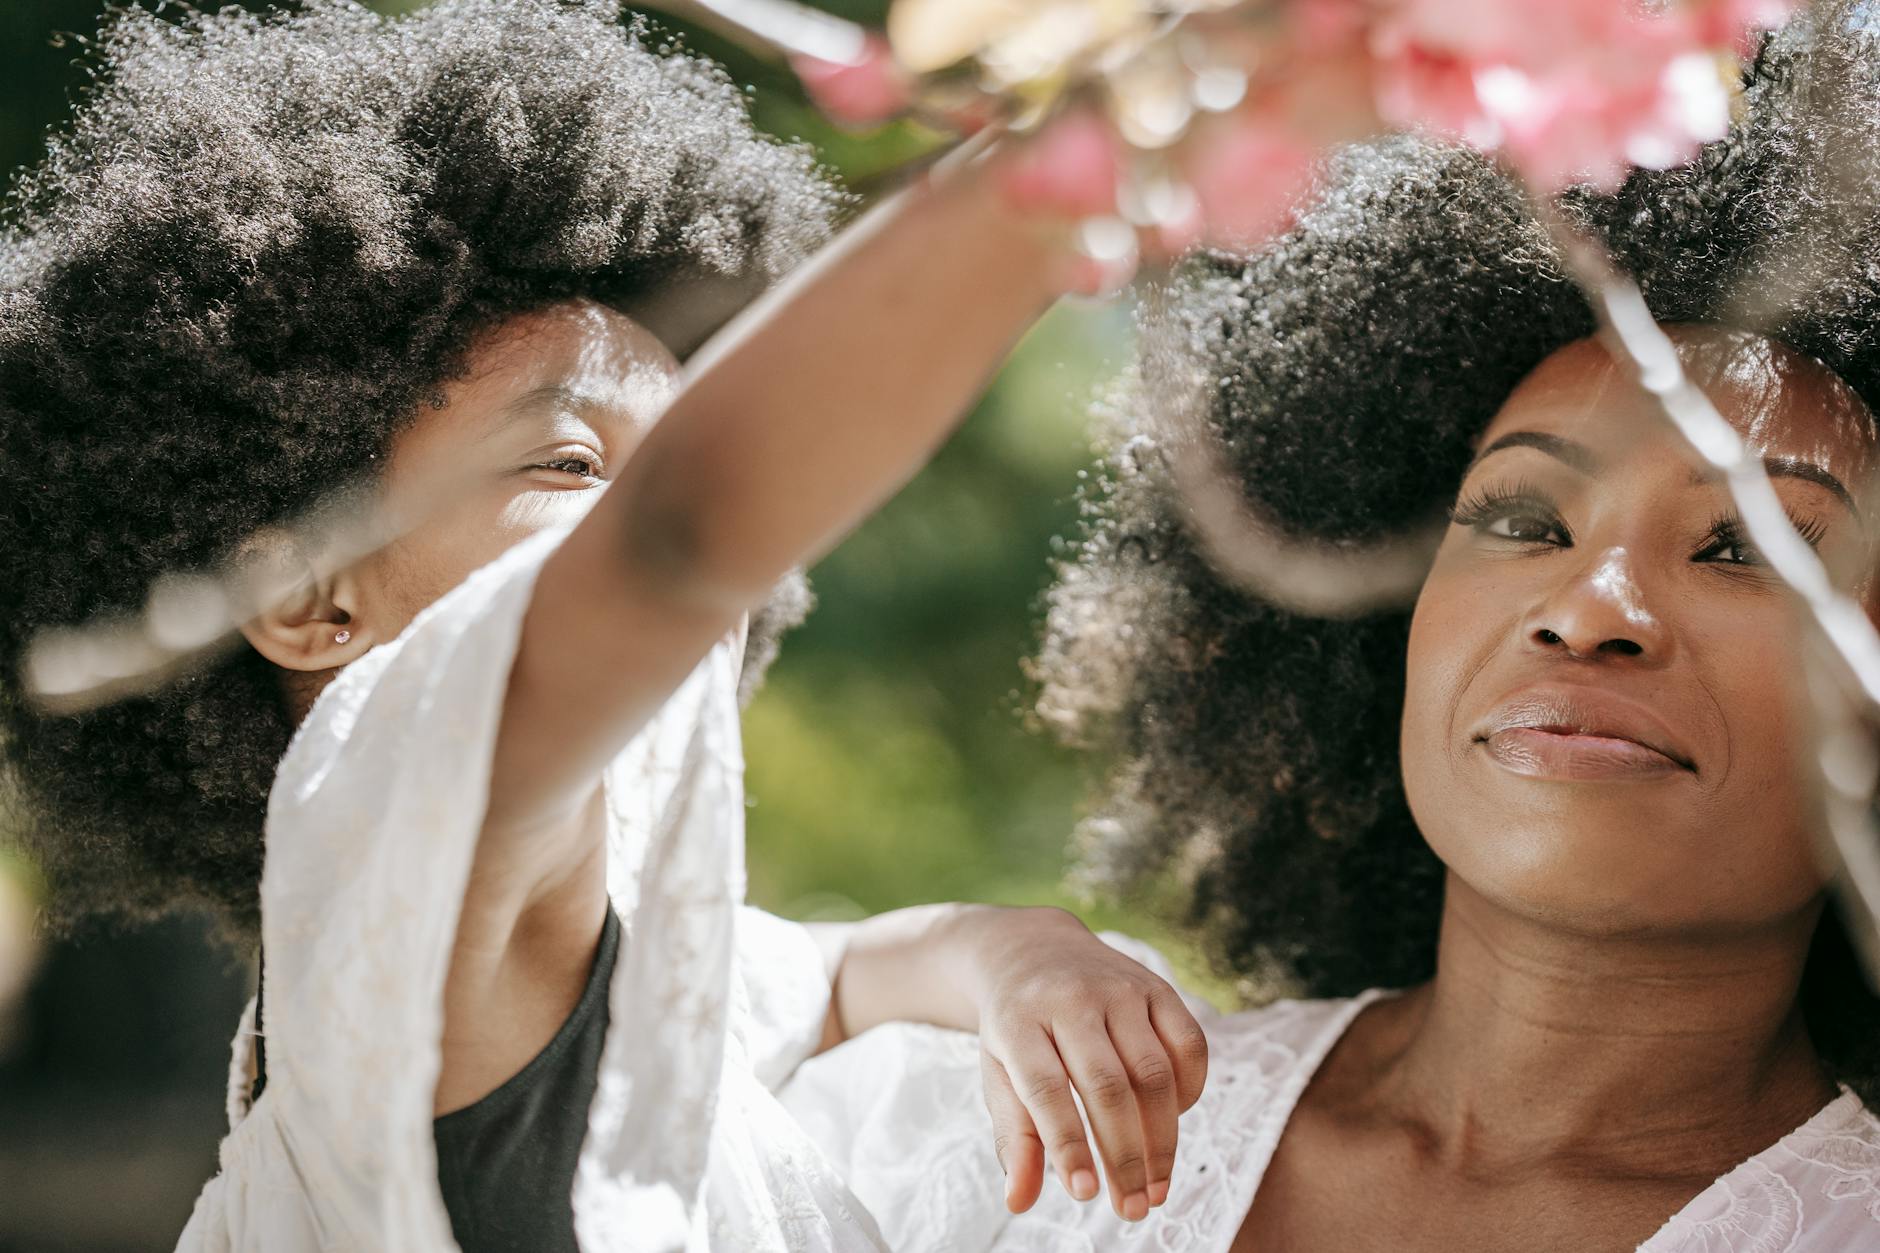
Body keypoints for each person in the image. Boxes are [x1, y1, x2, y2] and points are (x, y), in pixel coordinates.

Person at [0, 2, 1212, 1248]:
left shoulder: (606, 945)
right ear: (311, 599)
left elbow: (835, 970)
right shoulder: (398, 898)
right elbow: (678, 544)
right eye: (576, 461)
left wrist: (1009, 950)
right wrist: (1106, 142)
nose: (677, 516)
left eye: (670, 453)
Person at [782, 4, 1880, 1249]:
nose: (1588, 611)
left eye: (1746, 545)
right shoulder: (1017, 1129)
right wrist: (957, 953)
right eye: (1521, 518)